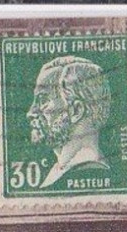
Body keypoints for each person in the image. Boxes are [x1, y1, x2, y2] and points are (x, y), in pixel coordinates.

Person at [26, 56, 112, 188]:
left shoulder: (89, 172)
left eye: (43, 100)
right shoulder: (60, 172)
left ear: (76, 111)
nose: (31, 113)